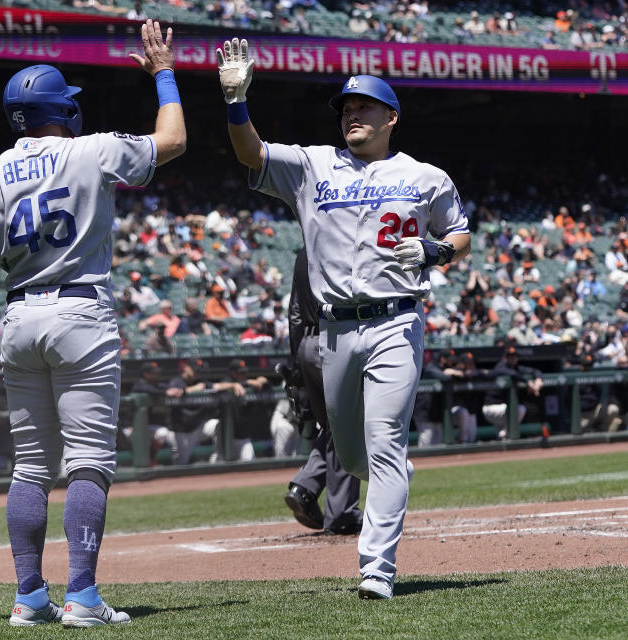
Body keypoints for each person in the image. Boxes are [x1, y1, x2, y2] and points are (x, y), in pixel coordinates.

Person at [0, 20, 185, 628]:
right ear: (58, 108)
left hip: (19, 315)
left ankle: (30, 598)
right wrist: (162, 72)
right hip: (79, 310)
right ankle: (81, 596)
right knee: (87, 461)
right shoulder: (90, 149)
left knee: (30, 465)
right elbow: (174, 139)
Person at [218, 42, 470, 600]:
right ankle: (382, 481)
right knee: (353, 455)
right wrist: (236, 100)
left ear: (391, 117)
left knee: (383, 447)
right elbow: (251, 153)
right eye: (345, 108)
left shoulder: (425, 176)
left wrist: (434, 252)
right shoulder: (313, 165)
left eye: (363, 106)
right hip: (332, 330)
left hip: (395, 323)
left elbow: (459, 232)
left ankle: (376, 569)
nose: (351, 114)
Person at [283, 248, 363, 535]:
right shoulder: (344, 243)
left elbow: (294, 312)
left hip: (307, 344)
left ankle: (305, 486)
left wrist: (296, 365)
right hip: (336, 341)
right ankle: (341, 513)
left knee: (333, 427)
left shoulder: (305, 252)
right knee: (348, 425)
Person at [481, 345, 543, 440]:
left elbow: (535, 371)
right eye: (510, 356)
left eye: (514, 356)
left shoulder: (517, 368)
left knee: (503, 438)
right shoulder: (500, 366)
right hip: (491, 408)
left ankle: (503, 435)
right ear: (506, 357)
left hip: (502, 409)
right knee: (520, 409)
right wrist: (528, 382)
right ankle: (505, 432)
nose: (513, 358)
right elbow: (512, 374)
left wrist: (538, 380)